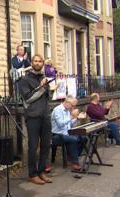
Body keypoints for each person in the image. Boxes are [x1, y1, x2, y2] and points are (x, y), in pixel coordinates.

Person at [18, 54, 52, 185]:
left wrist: (48, 87)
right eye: (35, 61)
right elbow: (28, 98)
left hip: (45, 115)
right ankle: (32, 174)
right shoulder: (25, 79)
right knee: (33, 146)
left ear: (43, 63)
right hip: (33, 116)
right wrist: (42, 88)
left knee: (45, 145)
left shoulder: (44, 78)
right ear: (31, 63)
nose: (37, 63)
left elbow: (48, 96)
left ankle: (41, 171)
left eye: (40, 61)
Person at [51, 96, 86, 170]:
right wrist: (71, 117)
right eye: (72, 105)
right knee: (73, 139)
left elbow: (69, 124)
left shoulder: (67, 110)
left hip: (67, 133)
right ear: (67, 102)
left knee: (83, 138)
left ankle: (72, 157)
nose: (73, 107)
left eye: (74, 106)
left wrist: (77, 118)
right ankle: (75, 162)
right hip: (57, 135)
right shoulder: (57, 110)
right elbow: (60, 124)